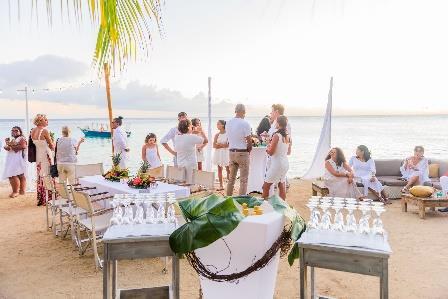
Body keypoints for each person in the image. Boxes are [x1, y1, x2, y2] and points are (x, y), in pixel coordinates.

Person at [226, 104, 252, 196]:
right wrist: (249, 151)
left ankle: (228, 198)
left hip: (231, 152)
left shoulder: (228, 123)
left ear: (235, 111)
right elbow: (249, 141)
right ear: (244, 112)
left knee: (231, 179)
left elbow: (228, 139)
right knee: (243, 180)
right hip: (242, 153)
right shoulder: (245, 123)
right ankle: (241, 201)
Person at [262, 116, 291, 200]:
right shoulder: (288, 136)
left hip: (277, 164)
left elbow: (271, 153)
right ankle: (283, 208)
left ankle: (264, 207)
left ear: (278, 123)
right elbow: (289, 152)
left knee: (265, 187)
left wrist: (267, 148)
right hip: (285, 163)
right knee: (281, 185)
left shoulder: (276, 135)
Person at [31, 114, 55, 206]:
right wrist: (54, 144)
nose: (47, 121)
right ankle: (48, 198)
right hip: (46, 155)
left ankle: (41, 197)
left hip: (38, 156)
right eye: (45, 120)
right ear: (40, 121)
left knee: (40, 175)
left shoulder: (32, 131)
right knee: (48, 174)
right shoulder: (44, 131)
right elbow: (51, 145)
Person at [174, 119, 207, 183]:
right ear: (188, 127)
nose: (192, 126)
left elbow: (185, 136)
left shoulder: (177, 137)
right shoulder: (192, 137)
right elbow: (206, 140)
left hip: (180, 164)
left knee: (183, 184)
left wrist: (192, 131)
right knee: (190, 184)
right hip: (190, 165)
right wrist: (201, 132)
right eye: (191, 125)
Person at [2, 126, 27, 198]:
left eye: (16, 130)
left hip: (17, 159)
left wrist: (11, 146)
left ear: (20, 132)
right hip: (13, 159)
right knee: (20, 175)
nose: (14, 132)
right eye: (12, 130)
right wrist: (7, 146)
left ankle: (15, 192)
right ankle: (22, 191)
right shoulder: (13, 139)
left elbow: (23, 146)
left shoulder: (21, 138)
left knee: (12, 175)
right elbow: (10, 148)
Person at [213, 120, 230, 190]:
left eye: (218, 124)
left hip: (226, 153)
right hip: (218, 153)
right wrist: (222, 145)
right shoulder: (217, 135)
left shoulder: (228, 134)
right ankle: (221, 185)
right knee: (219, 169)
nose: (217, 125)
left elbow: (228, 145)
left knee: (228, 169)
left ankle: (230, 183)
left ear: (223, 125)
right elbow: (214, 145)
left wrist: (219, 144)